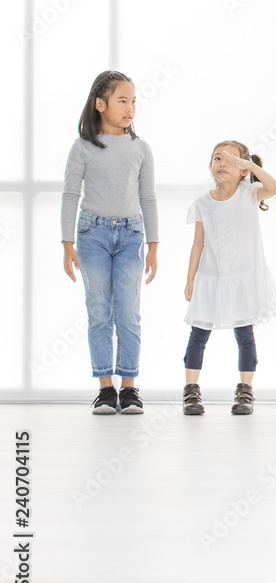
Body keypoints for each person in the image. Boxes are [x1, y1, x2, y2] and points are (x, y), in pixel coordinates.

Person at [61, 70, 158, 414]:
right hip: (92, 235)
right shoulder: (83, 147)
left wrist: (154, 246)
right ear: (100, 104)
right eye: (122, 101)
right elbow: (71, 195)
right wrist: (67, 242)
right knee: (99, 311)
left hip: (131, 235)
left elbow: (148, 198)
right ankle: (105, 388)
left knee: (129, 312)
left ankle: (129, 387)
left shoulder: (141, 148)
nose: (130, 107)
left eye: (133, 101)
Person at [182, 141, 276, 416]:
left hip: (243, 278)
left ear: (242, 168)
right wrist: (190, 279)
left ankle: (245, 390)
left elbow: (275, 188)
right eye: (217, 158)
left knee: (245, 335)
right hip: (211, 278)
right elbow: (198, 244)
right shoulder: (202, 203)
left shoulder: (250, 193)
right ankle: (191, 390)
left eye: (231, 159)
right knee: (198, 333)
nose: (223, 162)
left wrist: (250, 167)